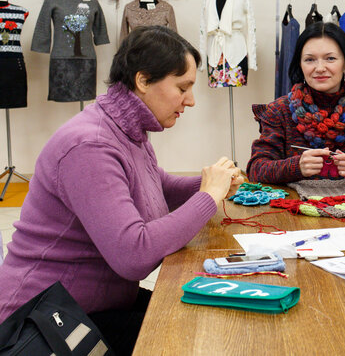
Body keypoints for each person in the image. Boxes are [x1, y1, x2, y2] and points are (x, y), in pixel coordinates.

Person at [0, 26, 242, 355]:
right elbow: (134, 255)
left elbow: (158, 186)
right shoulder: (90, 145)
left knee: (206, 317)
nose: (191, 100)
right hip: (42, 322)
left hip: (89, 308)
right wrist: (207, 197)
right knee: (201, 338)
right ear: (143, 80)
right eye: (183, 87)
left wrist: (216, 183)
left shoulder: (125, 130)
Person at [248, 21, 345, 184]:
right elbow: (257, 169)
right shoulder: (279, 111)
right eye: (310, 59)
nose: (320, 68)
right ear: (300, 64)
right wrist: (296, 166)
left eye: (330, 58)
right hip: (294, 201)